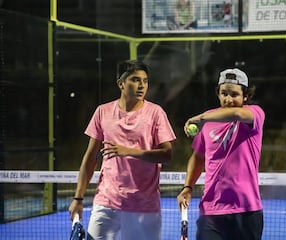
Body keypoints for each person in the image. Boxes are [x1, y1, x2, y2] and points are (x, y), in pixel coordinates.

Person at [68, 60, 176, 240]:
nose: (142, 85)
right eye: (135, 80)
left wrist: (129, 151)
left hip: (144, 206)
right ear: (121, 84)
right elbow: (90, 157)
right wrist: (78, 198)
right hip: (107, 202)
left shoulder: (156, 113)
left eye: (145, 81)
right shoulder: (102, 112)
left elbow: (167, 155)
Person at [177, 68, 265, 240]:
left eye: (234, 94)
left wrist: (201, 118)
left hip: (247, 211)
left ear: (245, 96)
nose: (228, 99)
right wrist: (188, 187)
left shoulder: (255, 113)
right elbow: (198, 157)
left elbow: (238, 113)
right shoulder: (208, 120)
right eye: (224, 93)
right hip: (211, 211)